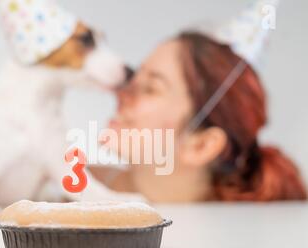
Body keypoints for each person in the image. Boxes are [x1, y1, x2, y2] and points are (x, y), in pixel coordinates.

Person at [89, 31, 307, 202]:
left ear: (201, 145)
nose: (121, 92)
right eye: (133, 80)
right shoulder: (67, 186)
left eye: (150, 88)